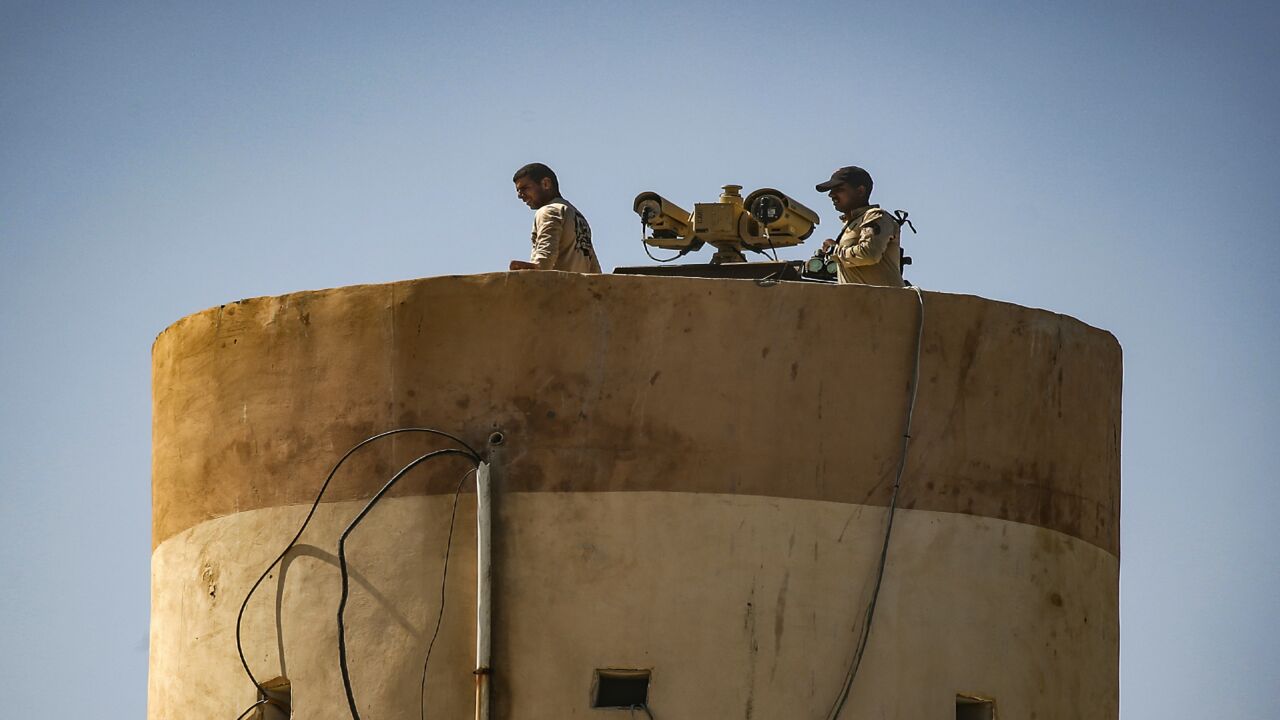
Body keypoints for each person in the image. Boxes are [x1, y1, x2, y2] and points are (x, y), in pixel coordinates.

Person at [816, 166, 903, 287]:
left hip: (884, 303)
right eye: (831, 190)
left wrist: (833, 250)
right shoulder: (852, 224)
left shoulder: (876, 216)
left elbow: (869, 253)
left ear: (860, 191)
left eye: (839, 189)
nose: (831, 195)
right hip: (859, 302)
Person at [509, 163, 601, 273]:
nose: (520, 195)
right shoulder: (575, 215)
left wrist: (532, 271)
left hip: (557, 288)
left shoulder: (549, 211)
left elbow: (545, 257)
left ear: (546, 184)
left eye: (524, 188)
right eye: (518, 191)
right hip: (581, 288)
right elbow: (593, 267)